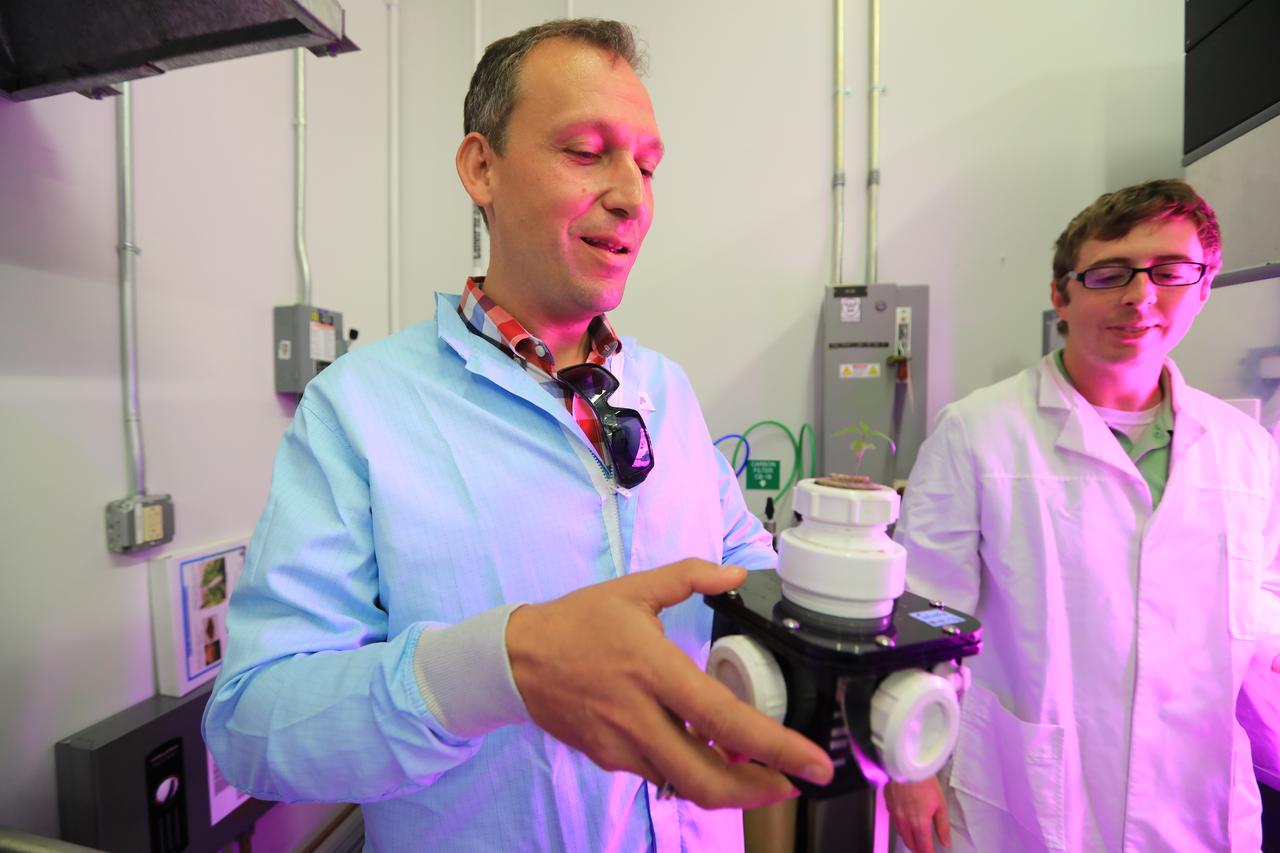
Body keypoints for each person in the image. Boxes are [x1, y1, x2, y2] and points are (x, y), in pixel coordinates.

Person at [202, 18, 832, 852]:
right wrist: (499, 667)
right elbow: (253, 724)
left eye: (646, 165)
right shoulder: (361, 411)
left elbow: (744, 569)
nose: (632, 195)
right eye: (586, 151)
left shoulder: (665, 392)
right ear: (481, 167)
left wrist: (854, 643)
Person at [886, 179, 1280, 852]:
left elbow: (1261, 617)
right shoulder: (978, 432)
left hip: (1200, 804)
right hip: (1030, 798)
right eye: (1110, 274)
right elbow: (922, 621)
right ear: (1061, 294)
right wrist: (908, 767)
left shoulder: (1245, 448)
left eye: (1171, 271)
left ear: (1205, 285)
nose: (1141, 296)